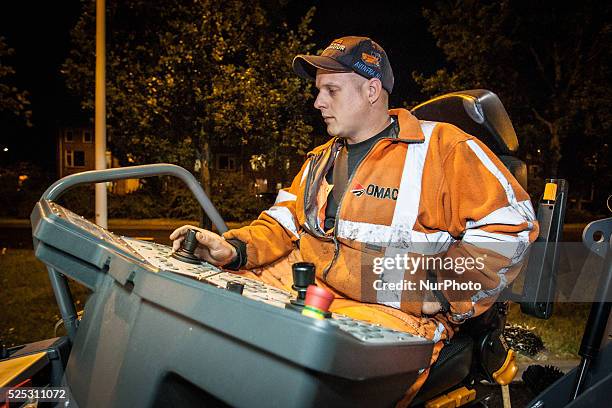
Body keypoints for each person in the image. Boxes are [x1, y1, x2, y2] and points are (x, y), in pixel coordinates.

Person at [170, 36, 538, 405]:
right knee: (205, 307)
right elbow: (282, 223)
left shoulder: (443, 148)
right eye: (318, 91)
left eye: (331, 89)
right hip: (313, 289)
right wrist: (233, 249)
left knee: (308, 386)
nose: (318, 102)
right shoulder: (320, 158)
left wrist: (441, 290)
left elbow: (511, 228)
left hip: (388, 311)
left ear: (372, 90)